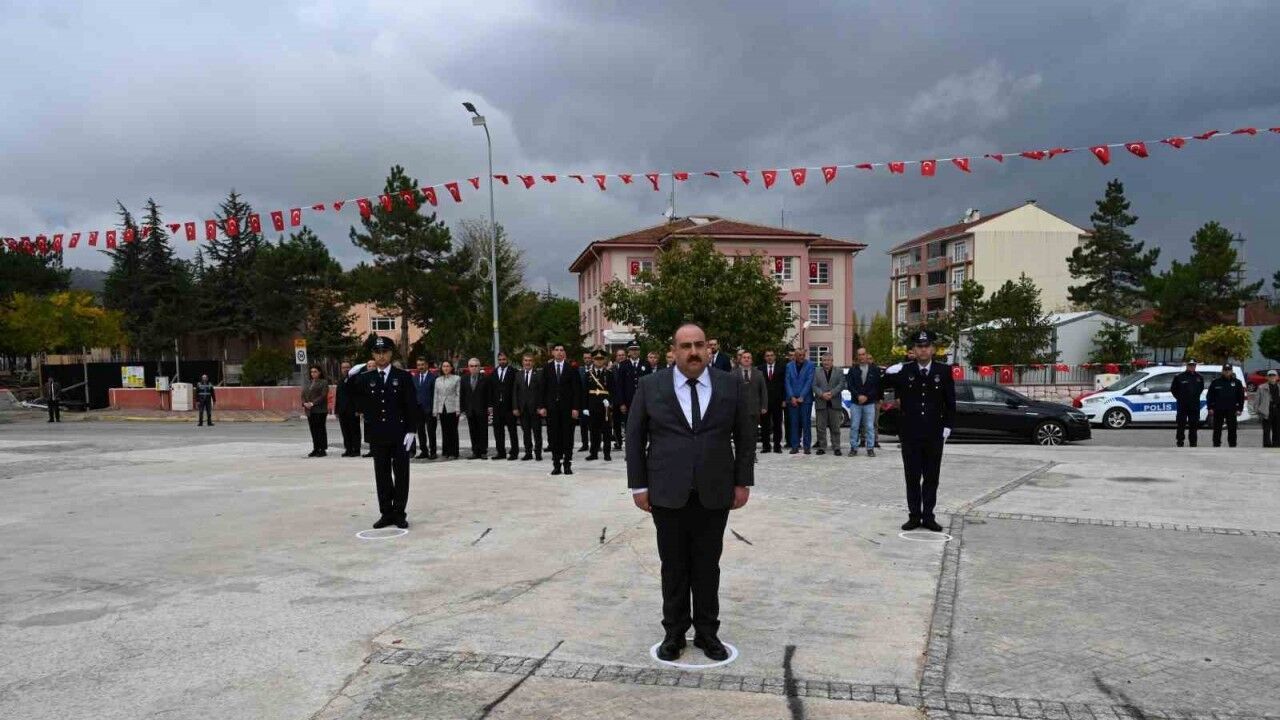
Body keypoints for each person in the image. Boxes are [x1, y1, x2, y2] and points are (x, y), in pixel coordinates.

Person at [626, 322, 753, 663]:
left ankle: (708, 632)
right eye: (685, 346)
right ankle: (674, 632)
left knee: (708, 565)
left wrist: (742, 482)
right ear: (674, 351)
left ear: (709, 348)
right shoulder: (650, 385)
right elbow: (634, 437)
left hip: (715, 490)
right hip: (667, 491)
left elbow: (745, 435)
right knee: (673, 566)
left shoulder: (730, 384)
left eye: (699, 345)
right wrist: (639, 485)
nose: (693, 352)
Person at [883, 330, 955, 532]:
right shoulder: (904, 371)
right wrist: (888, 372)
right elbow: (880, 386)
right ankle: (914, 516)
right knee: (912, 476)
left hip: (934, 433)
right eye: (919, 346)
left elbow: (950, 402)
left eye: (926, 346)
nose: (923, 350)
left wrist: (948, 426)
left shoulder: (943, 371)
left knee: (931, 476)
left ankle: (928, 516)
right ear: (913, 350)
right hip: (910, 433)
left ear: (933, 349)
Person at [345, 336, 421, 529]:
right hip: (378, 434)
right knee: (382, 474)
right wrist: (353, 373)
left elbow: (412, 405)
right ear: (372, 355)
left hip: (400, 433)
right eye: (377, 353)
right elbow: (349, 391)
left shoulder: (402, 377)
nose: (381, 356)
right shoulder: (366, 378)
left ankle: (399, 513)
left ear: (391, 353)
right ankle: (386, 513)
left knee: (401, 474)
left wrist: (412, 430)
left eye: (385, 352)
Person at [540, 343, 583, 475]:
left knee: (567, 437)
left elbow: (577, 390)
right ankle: (556, 464)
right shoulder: (547, 368)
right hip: (552, 409)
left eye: (561, 350)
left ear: (565, 353)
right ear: (552, 352)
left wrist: (576, 408)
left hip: (567, 409)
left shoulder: (572, 369)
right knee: (554, 437)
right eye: (557, 350)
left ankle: (567, 464)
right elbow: (542, 389)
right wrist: (542, 406)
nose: (559, 352)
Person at [845, 347, 881, 457]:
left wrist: (867, 396)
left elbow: (876, 386)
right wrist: (858, 396)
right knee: (854, 426)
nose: (861, 357)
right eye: (859, 355)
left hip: (869, 402)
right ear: (857, 356)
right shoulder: (853, 370)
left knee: (870, 426)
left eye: (863, 354)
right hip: (856, 403)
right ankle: (853, 448)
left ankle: (870, 448)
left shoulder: (875, 370)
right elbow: (850, 385)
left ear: (866, 355)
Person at [584, 349, 615, 461]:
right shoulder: (588, 375)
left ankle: (607, 453)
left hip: (605, 407)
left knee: (607, 431)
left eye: (601, 359)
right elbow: (585, 392)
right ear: (593, 360)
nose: (599, 361)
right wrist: (585, 407)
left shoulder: (609, 374)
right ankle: (593, 453)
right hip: (593, 406)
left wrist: (609, 401)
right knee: (594, 431)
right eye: (597, 359)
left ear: (604, 360)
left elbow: (613, 390)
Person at [812, 354, 845, 455]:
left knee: (835, 427)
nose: (826, 362)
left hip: (834, 403)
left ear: (832, 361)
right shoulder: (816, 371)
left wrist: (831, 393)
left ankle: (836, 447)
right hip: (821, 402)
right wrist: (822, 394)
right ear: (821, 361)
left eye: (828, 360)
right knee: (820, 428)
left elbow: (841, 384)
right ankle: (822, 447)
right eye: (824, 360)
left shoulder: (839, 371)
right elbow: (813, 385)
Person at [513, 353, 544, 461]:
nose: (527, 362)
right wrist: (515, 407)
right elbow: (515, 392)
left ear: (533, 362)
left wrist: (541, 407)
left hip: (535, 409)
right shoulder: (518, 375)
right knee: (526, 433)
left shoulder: (538, 374)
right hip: (523, 409)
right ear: (523, 362)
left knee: (537, 433)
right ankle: (528, 453)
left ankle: (538, 453)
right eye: (526, 360)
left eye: (530, 360)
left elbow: (541, 392)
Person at [737, 350, 768, 459]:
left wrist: (764, 406)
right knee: (740, 434)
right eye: (744, 357)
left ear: (751, 360)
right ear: (740, 360)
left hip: (754, 408)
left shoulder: (758, 373)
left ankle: (752, 454)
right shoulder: (733, 374)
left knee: (752, 433)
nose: (746, 359)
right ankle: (741, 454)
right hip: (738, 410)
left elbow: (763, 391)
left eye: (748, 357)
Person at [1206, 363, 1245, 448]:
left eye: (1229, 370)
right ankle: (1216, 444)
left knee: (1232, 428)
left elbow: (1241, 397)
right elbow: (1210, 396)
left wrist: (1240, 409)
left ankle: (1232, 445)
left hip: (1232, 409)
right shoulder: (1216, 382)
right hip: (1218, 409)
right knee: (1217, 428)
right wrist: (1210, 408)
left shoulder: (1237, 382)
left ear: (1231, 371)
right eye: (1225, 370)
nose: (1227, 372)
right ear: (1222, 371)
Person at [785, 347, 815, 454]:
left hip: (805, 399)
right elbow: (787, 382)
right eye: (799, 355)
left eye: (803, 355)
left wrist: (802, 396)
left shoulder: (810, 365)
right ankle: (795, 446)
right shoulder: (789, 366)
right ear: (795, 356)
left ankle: (807, 447)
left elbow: (809, 381)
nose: (802, 357)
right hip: (792, 400)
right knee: (794, 424)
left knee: (806, 423)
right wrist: (792, 397)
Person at [460, 358, 492, 460]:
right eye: (472, 366)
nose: (474, 368)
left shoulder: (485, 378)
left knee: (483, 431)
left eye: (476, 366)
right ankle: (475, 451)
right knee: (473, 431)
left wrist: (489, 407)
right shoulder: (464, 378)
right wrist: (463, 409)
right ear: (468, 367)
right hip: (470, 410)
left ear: (479, 367)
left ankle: (483, 451)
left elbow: (489, 394)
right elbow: (462, 395)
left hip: (482, 409)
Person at [490, 352, 519, 460]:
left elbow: (516, 390)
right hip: (497, 407)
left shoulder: (514, 372)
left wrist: (516, 406)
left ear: (507, 360)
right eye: (500, 359)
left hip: (510, 407)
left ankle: (514, 452)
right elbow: (491, 390)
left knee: (512, 431)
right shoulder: (493, 372)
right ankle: (501, 452)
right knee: (498, 431)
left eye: (504, 359)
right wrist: (491, 405)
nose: (502, 361)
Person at [1171, 358, 1205, 448]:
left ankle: (1193, 443)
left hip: (1194, 405)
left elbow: (1201, 389)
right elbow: (1173, 389)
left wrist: (1193, 398)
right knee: (1181, 425)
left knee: (1193, 426)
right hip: (1183, 405)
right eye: (1190, 365)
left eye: (1193, 365)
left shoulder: (1199, 377)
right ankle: (1180, 442)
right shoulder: (1179, 377)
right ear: (1187, 366)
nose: (1192, 367)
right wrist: (1180, 398)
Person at [614, 345, 642, 450]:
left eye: (636, 350)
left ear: (639, 351)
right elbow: (620, 386)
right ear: (629, 352)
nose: (634, 352)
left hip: (642, 401)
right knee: (629, 426)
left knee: (642, 426)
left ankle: (641, 448)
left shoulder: (645, 364)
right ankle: (630, 449)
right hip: (628, 402)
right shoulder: (623, 365)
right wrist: (621, 403)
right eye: (632, 350)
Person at [433, 360, 462, 459]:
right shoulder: (438, 380)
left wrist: (458, 409)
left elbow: (458, 394)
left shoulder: (456, 378)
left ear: (451, 368)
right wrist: (435, 410)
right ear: (441, 368)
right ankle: (446, 451)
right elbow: (436, 396)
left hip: (452, 407)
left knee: (453, 430)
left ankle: (454, 452)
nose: (445, 368)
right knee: (444, 430)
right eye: (444, 366)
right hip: (442, 408)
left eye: (447, 366)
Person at [759, 349, 785, 453]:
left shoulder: (781, 368)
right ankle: (766, 446)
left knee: (777, 424)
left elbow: (784, 385)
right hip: (764, 402)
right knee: (765, 425)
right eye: (767, 355)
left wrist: (784, 399)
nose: (769, 357)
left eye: (771, 355)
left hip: (778, 401)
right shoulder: (760, 369)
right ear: (765, 358)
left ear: (775, 357)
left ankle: (777, 446)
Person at [301, 365, 329, 457]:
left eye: (315, 371)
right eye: (312, 372)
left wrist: (312, 403)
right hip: (310, 411)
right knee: (313, 430)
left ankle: (322, 449)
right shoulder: (308, 383)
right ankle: (316, 448)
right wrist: (304, 403)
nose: (313, 373)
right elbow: (303, 394)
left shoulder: (323, 382)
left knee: (320, 430)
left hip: (320, 410)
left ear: (319, 372)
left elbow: (323, 395)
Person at [335, 363, 361, 457]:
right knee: (345, 431)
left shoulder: (356, 379)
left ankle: (356, 449)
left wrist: (358, 409)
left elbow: (357, 395)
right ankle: (348, 449)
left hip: (353, 409)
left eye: (348, 367)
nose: (346, 369)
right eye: (343, 368)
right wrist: (336, 410)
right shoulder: (340, 380)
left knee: (354, 430)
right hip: (342, 410)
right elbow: (338, 396)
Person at [413, 359, 437, 459]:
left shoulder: (433, 377)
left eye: (422, 364)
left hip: (430, 409)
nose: (420, 367)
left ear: (427, 365)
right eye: (418, 365)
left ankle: (433, 452)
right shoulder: (414, 378)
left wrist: (435, 408)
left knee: (431, 431)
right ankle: (424, 451)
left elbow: (435, 394)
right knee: (420, 431)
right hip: (418, 409)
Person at [1249, 369, 1279, 447]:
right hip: (1266, 410)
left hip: (1278, 410)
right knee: (1266, 430)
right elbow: (1256, 401)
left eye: (1274, 375)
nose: (1272, 377)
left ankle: (1276, 445)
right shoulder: (1261, 387)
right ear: (1267, 377)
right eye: (1270, 376)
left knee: (1277, 429)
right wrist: (1257, 411)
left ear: (1277, 377)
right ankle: (1267, 445)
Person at [578, 351, 592, 452]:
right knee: (583, 425)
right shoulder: (580, 370)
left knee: (594, 424)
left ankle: (596, 444)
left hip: (593, 401)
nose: (587, 360)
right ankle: (585, 444)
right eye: (585, 358)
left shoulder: (595, 370)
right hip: (582, 401)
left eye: (589, 358)